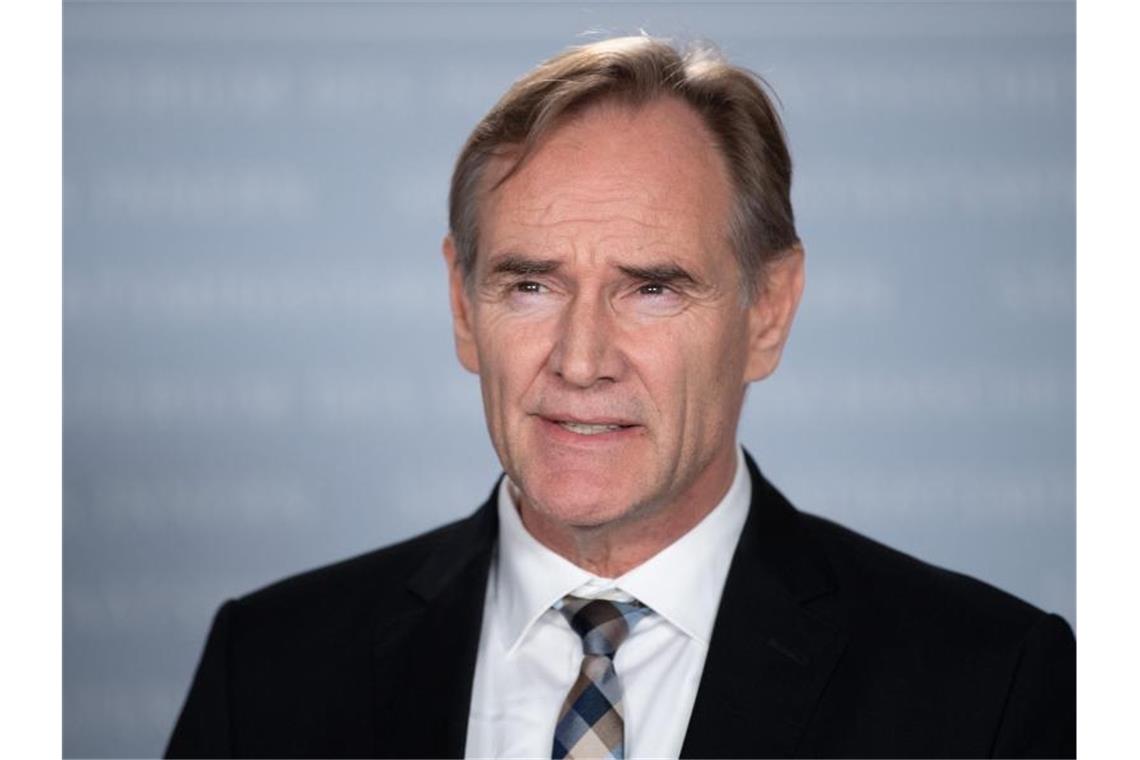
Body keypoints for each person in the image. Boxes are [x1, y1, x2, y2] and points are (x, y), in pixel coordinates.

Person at [166, 35, 1075, 759]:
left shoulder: (988, 686)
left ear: (768, 311)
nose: (581, 360)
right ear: (463, 305)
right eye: (531, 285)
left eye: (652, 288)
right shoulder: (270, 667)